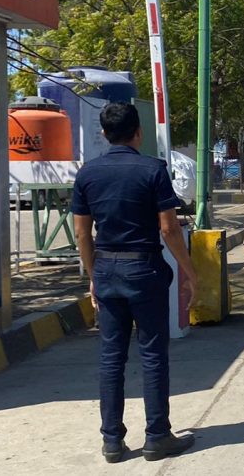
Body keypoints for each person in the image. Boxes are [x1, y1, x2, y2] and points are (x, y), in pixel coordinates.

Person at [71, 102, 198, 463]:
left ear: (105, 134)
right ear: (138, 133)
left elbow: (83, 233)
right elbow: (169, 227)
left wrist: (93, 275)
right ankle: (157, 436)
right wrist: (190, 271)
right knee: (153, 355)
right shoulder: (153, 169)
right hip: (144, 270)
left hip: (107, 269)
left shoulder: (88, 174)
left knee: (112, 358)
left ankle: (112, 441)